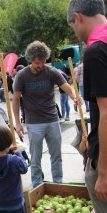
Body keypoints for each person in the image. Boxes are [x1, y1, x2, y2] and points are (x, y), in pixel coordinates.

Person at [67, 0, 107, 213]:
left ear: (78, 17)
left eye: (73, 26)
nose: (75, 32)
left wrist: (102, 172)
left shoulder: (96, 52)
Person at [13, 41, 76, 187]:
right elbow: (16, 100)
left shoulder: (51, 71)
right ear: (30, 60)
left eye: (42, 61)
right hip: (34, 122)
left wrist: (74, 97)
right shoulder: (22, 76)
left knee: (56, 156)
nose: (40, 65)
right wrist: (17, 123)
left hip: (52, 120)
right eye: (36, 63)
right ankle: (37, 185)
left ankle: (58, 184)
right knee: (35, 157)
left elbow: (66, 87)